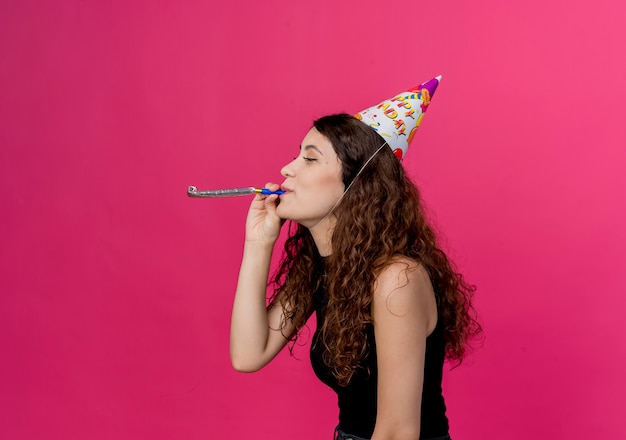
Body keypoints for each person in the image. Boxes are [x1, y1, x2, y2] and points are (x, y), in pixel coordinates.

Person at [229, 78, 481, 440]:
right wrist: (258, 242)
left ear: (356, 185)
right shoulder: (324, 266)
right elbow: (248, 354)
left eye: (310, 159)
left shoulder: (397, 279)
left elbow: (397, 432)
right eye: (297, 153)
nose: (287, 169)